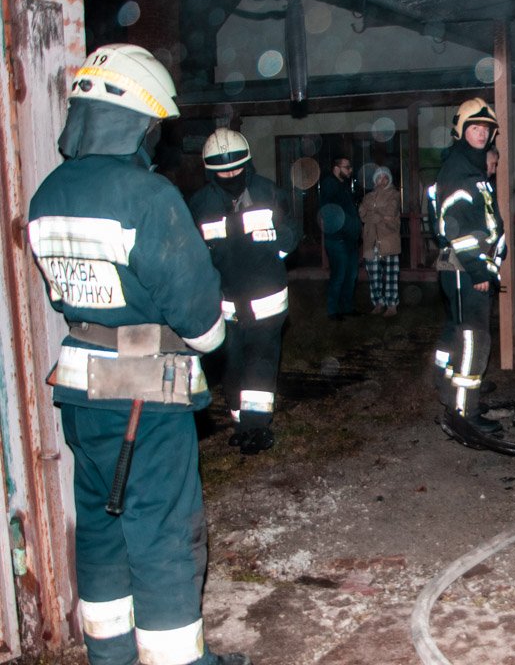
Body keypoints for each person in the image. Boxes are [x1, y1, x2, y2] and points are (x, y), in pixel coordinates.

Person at [26, 44, 250, 665]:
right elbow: (200, 318)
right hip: (144, 391)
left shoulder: (47, 195)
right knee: (163, 529)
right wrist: (210, 343)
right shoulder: (147, 197)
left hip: (78, 381)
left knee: (101, 524)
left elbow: (62, 291)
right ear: (137, 123)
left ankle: (112, 655)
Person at [188, 128, 299, 455]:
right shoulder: (200, 205)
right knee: (233, 366)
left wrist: (271, 251)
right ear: (210, 171)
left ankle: (257, 426)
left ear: (247, 164)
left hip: (266, 301)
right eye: (222, 172)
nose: (230, 176)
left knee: (261, 363)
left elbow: (290, 237)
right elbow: (194, 254)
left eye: (236, 169)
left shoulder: (267, 193)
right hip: (226, 304)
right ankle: (240, 422)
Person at [434, 98, 507, 434]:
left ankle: (454, 394)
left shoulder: (472, 166)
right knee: (474, 339)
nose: (481, 133)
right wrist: (478, 270)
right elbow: (454, 227)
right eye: (474, 127)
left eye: (486, 128)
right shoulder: (460, 169)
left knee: (461, 334)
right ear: (461, 131)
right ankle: (465, 414)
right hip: (467, 270)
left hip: (469, 268)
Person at [318, 156, 361, 320]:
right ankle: (333, 310)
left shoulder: (343, 186)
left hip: (349, 238)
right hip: (338, 239)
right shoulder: (330, 185)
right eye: (347, 167)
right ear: (336, 167)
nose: (350, 170)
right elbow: (329, 212)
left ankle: (347, 308)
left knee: (351, 274)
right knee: (340, 274)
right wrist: (340, 232)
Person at [359, 167, 402, 316]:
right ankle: (378, 303)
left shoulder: (394, 195)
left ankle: (392, 305)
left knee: (391, 274)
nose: (381, 180)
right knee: (374, 274)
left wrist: (374, 212)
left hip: (389, 240)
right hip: (371, 241)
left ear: (389, 179)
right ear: (375, 180)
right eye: (379, 177)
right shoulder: (368, 196)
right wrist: (379, 215)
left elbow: (391, 212)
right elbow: (362, 214)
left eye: (385, 177)